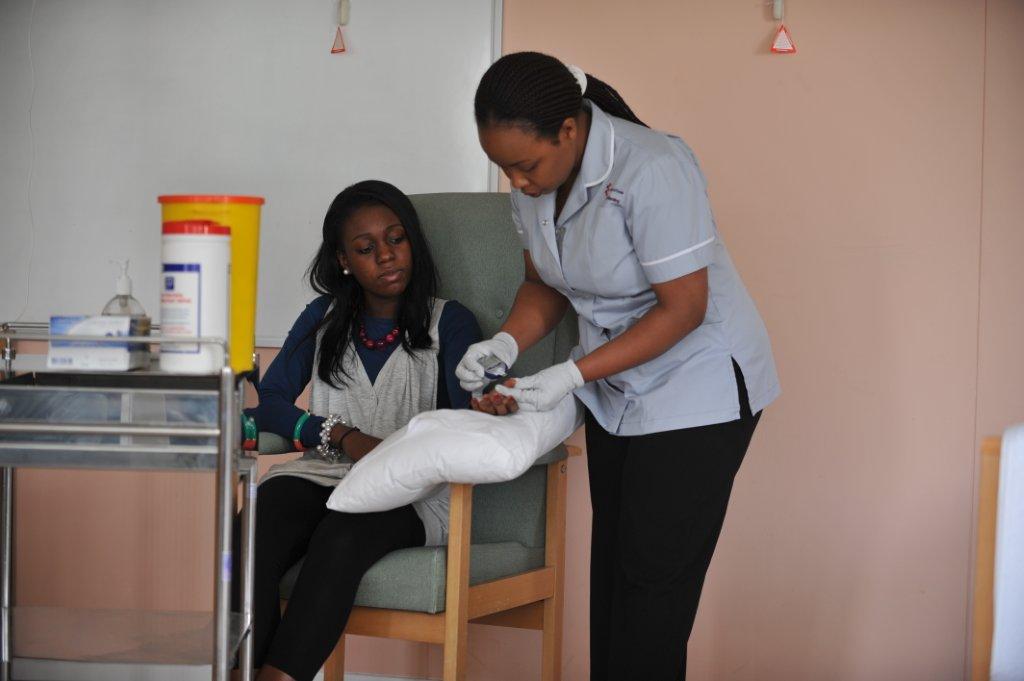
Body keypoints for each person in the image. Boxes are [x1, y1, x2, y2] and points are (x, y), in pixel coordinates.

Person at [459, 52, 780, 680]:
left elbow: (684, 308)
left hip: (699, 391)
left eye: (525, 165)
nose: (517, 182)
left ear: (570, 130)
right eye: (503, 168)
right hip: (618, 391)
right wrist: (503, 344)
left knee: (653, 592)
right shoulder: (535, 186)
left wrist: (572, 374)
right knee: (612, 580)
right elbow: (544, 284)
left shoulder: (654, 166)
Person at [234, 180, 481, 681]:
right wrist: (341, 434)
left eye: (396, 240)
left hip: (412, 493)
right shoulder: (322, 317)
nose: (387, 257)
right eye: (367, 249)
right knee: (257, 525)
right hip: (323, 471)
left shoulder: (449, 322)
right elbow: (267, 404)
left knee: (342, 535)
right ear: (344, 260)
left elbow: (467, 423)